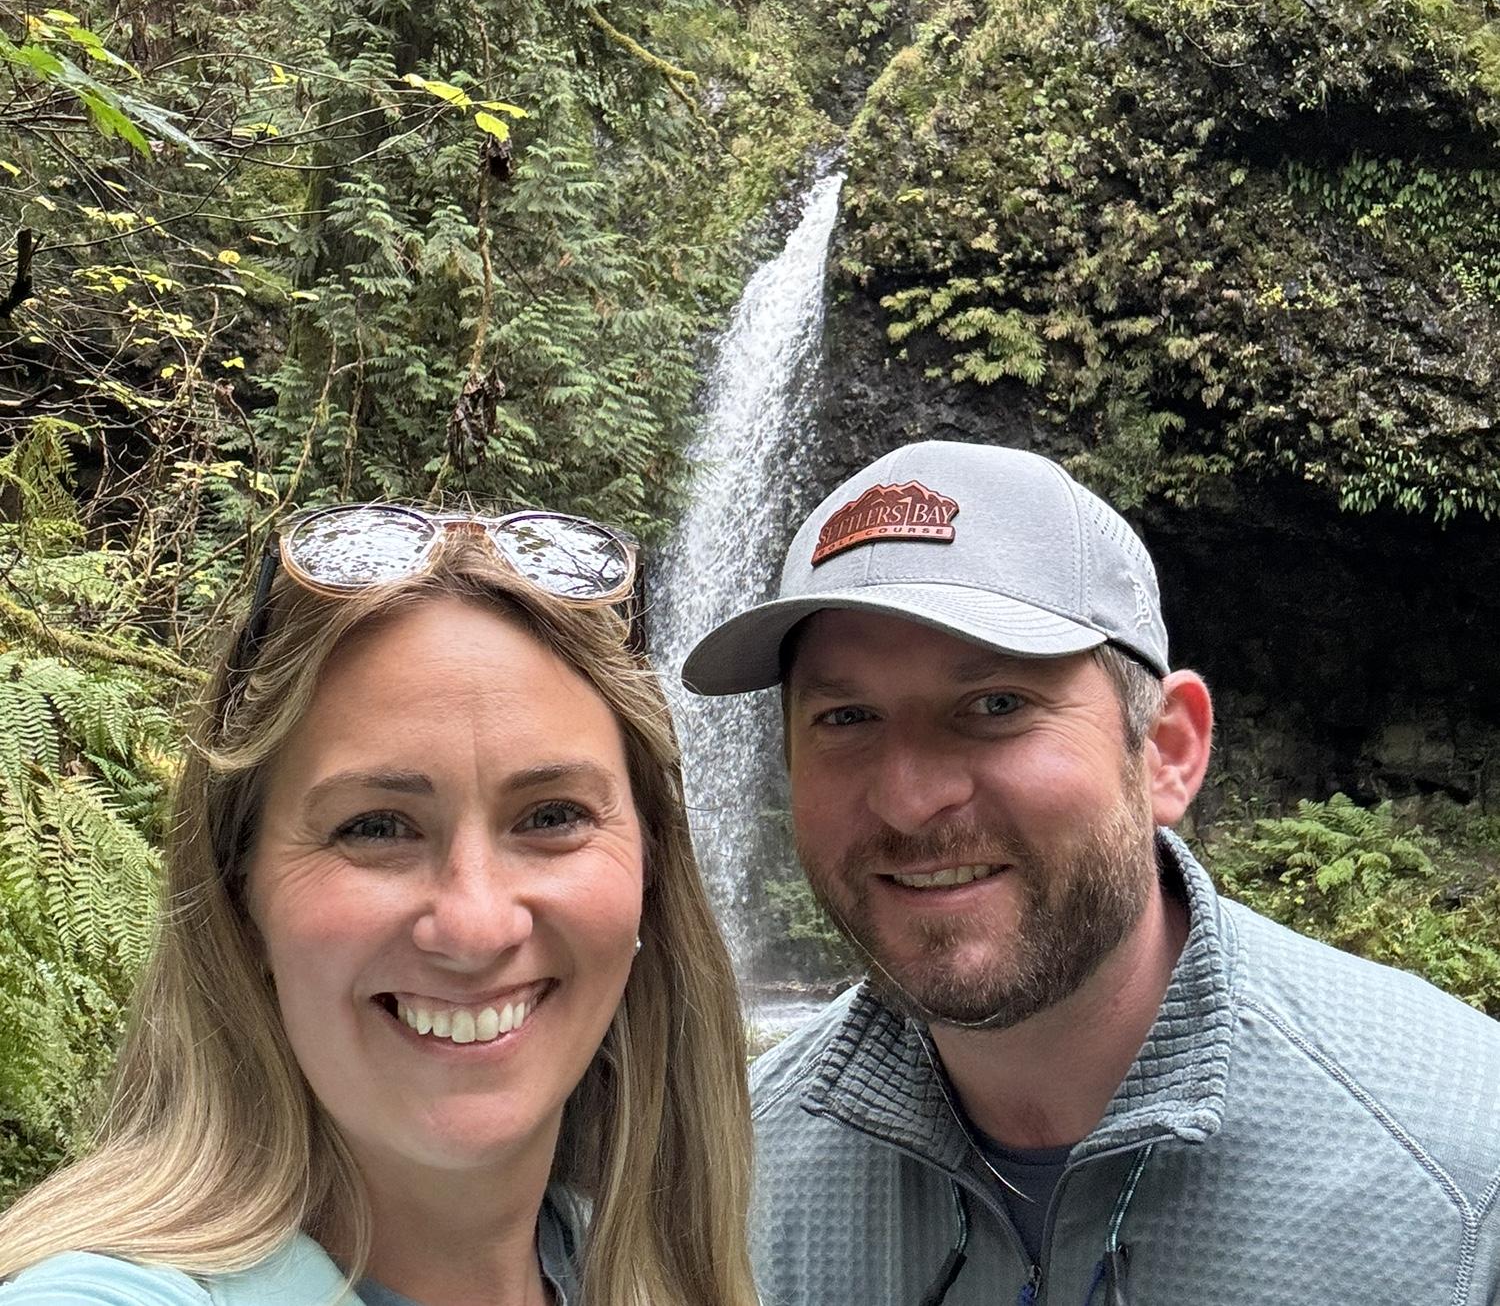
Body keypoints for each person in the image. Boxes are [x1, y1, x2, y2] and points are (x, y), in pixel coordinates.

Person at [682, 440, 1500, 1306]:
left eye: (996, 705)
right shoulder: (725, 1182)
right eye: (847, 717)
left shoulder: (1464, 1177)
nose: (909, 799)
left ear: (1167, 751)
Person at [1, 503, 757, 1306]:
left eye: (552, 817)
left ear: (650, 869)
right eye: (375, 827)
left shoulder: (637, 1266)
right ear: (240, 896)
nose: (474, 926)